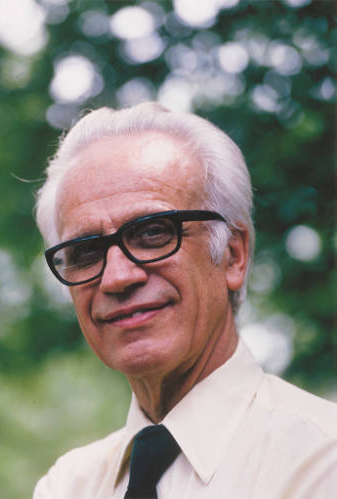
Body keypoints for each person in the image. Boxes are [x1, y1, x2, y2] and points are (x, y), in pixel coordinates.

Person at [33, 103, 337, 498]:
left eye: (153, 233)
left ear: (233, 255)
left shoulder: (321, 462)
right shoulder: (68, 486)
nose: (117, 277)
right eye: (86, 252)